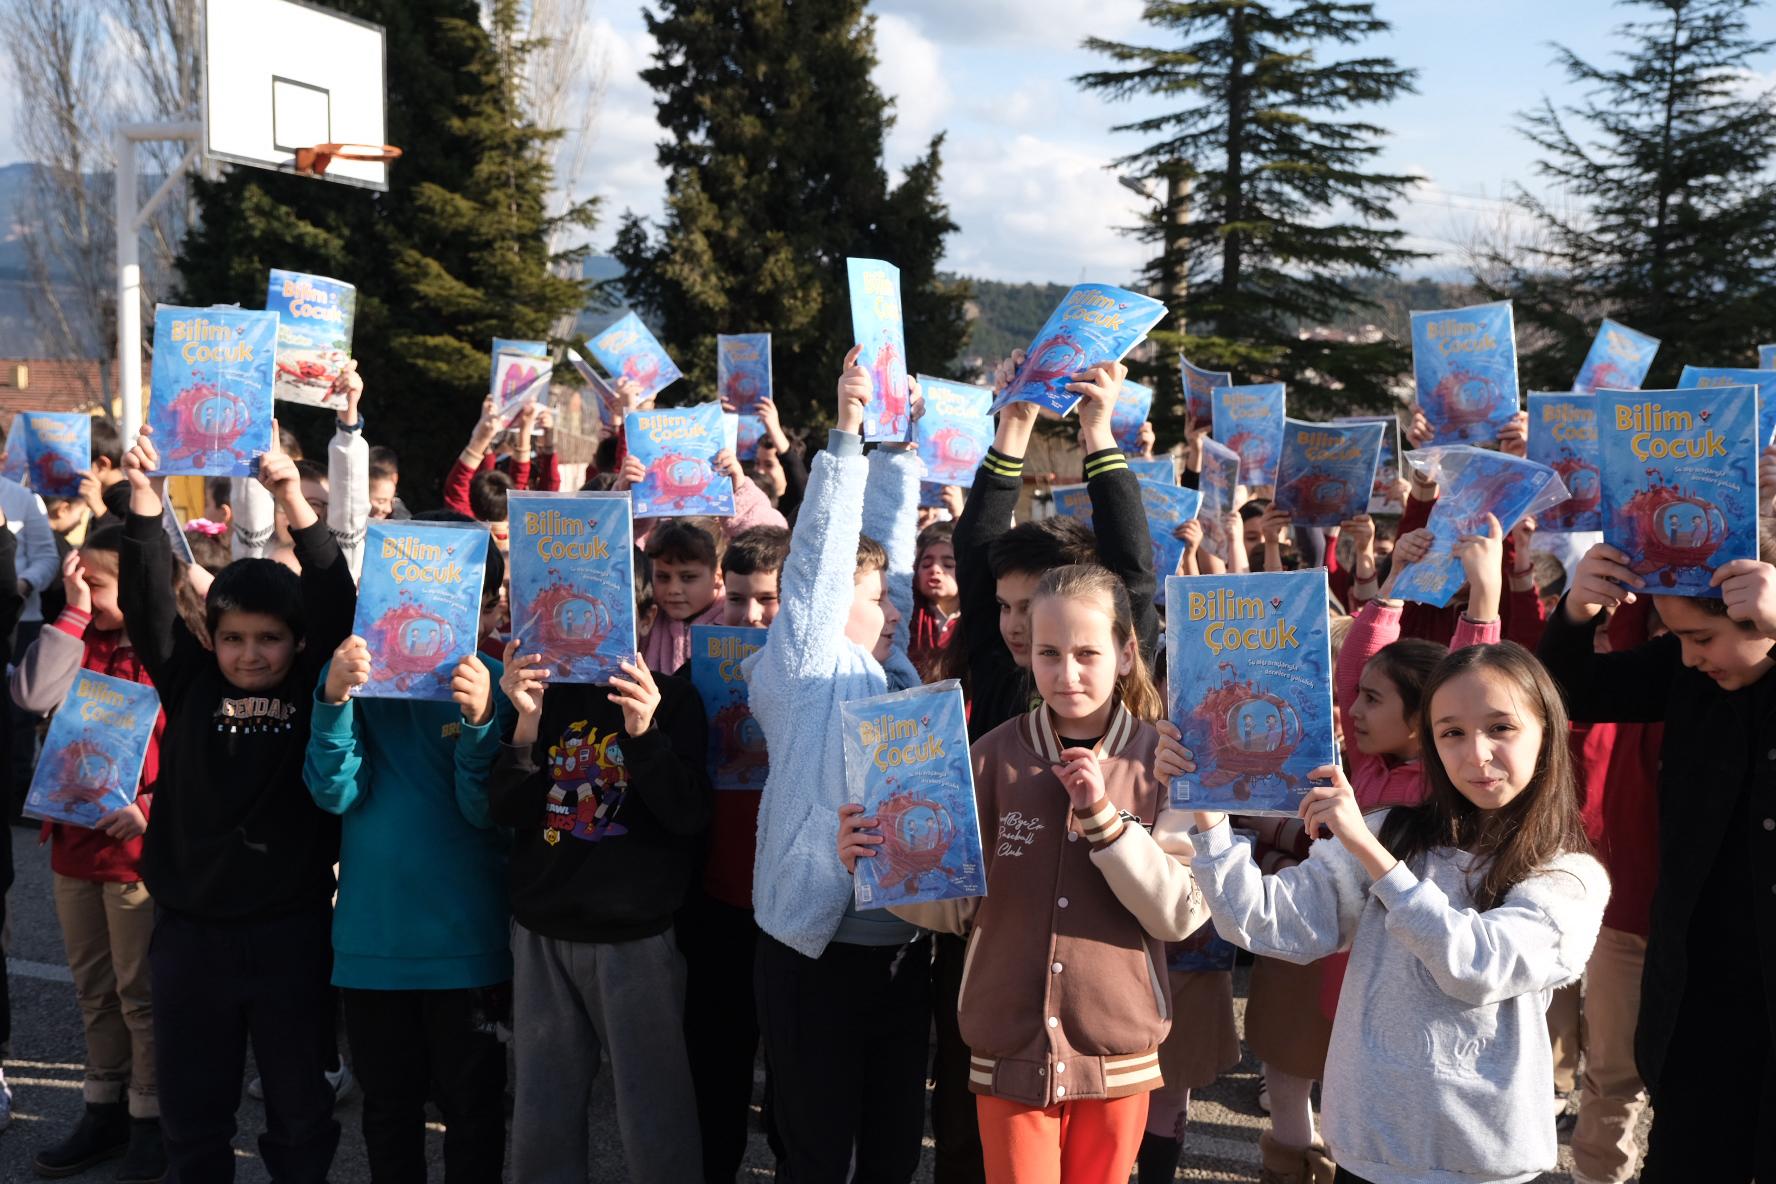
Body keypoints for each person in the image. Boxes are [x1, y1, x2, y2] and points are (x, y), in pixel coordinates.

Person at [1173, 638, 1608, 1183]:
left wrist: (1376, 858)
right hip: (1367, 1149)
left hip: (1482, 1160)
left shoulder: (1567, 874)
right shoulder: (1390, 831)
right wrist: (1208, 815)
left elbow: (1476, 966)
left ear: (1546, 732)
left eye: (1501, 727)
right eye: (1452, 732)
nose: (1476, 753)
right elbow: (1265, 923)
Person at [845, 563, 1209, 1184]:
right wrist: (879, 860)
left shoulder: (1166, 760)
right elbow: (958, 909)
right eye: (1049, 653)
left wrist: (1105, 821)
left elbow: (1179, 913)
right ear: (1027, 655)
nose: (1067, 673)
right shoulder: (985, 757)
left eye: (1087, 653)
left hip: (1117, 1043)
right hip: (1005, 1040)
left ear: (1126, 653)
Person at [118, 424, 356, 1183]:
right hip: (191, 939)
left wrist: (293, 497)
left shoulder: (309, 683)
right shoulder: (188, 684)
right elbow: (147, 601)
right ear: (210, 637)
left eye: (270, 639)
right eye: (233, 638)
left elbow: (336, 600)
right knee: (194, 1119)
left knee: (299, 1117)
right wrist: (148, 503)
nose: (251, 653)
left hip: (290, 937)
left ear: (297, 642)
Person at [1537, 527, 1776, 1180]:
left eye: (1703, 638)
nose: (1693, 658)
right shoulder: (1683, 671)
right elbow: (1569, 689)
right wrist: (1577, 610)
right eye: (1677, 640)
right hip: (1699, 1009)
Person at [744, 347, 928, 1182]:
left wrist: (901, 446)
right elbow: (821, 566)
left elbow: (887, 550)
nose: (891, 609)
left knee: (891, 1147)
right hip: (814, 949)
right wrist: (848, 438)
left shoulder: (902, 677)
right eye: (874, 596)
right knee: (817, 1152)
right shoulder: (803, 669)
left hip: (904, 950)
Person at [303, 516, 516, 1183]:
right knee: (388, 1113)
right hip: (374, 951)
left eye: (457, 597)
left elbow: (485, 809)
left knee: (474, 1110)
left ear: (486, 608)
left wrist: (484, 721)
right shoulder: (358, 680)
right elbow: (334, 794)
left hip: (467, 947)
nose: (424, 612)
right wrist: (333, 699)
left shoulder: (498, 682)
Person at [491, 633, 711, 1184]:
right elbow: (508, 810)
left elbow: (687, 814)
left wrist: (644, 735)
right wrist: (523, 725)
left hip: (633, 937)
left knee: (653, 1107)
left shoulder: (672, 698)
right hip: (542, 931)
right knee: (543, 1108)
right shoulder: (538, 695)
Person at [11, 526, 167, 1180]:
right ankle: (102, 1110)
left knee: (141, 996)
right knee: (93, 992)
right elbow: (30, 697)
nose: (86, 591)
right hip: (73, 846)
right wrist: (73, 611)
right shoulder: (79, 639)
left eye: (97, 584)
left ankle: (151, 1121)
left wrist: (151, 813)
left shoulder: (169, 650)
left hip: (135, 855)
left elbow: (197, 756)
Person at [678, 524, 790, 1184]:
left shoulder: (822, 674)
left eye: (767, 600)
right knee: (715, 1074)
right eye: (741, 600)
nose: (751, 615)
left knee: (792, 1087)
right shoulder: (697, 671)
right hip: (716, 902)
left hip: (789, 907)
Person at [639, 521, 726, 673]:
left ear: (717, 576)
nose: (673, 589)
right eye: (663, 577)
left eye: (688, 577)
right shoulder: (645, 619)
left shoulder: (733, 621)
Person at [909, 519, 960, 679]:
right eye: (926, 564)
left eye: (948, 565)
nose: (935, 569)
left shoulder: (976, 618)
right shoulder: (908, 613)